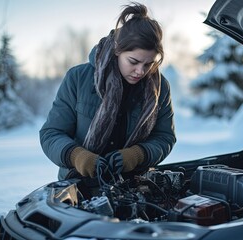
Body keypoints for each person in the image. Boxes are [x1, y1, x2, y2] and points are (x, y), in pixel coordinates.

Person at [39, 2, 176, 182]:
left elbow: (164, 137)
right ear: (117, 50)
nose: (141, 71)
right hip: (79, 185)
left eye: (148, 64)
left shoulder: (160, 88)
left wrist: (138, 155)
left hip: (135, 186)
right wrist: (76, 156)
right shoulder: (78, 78)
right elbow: (51, 133)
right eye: (133, 61)